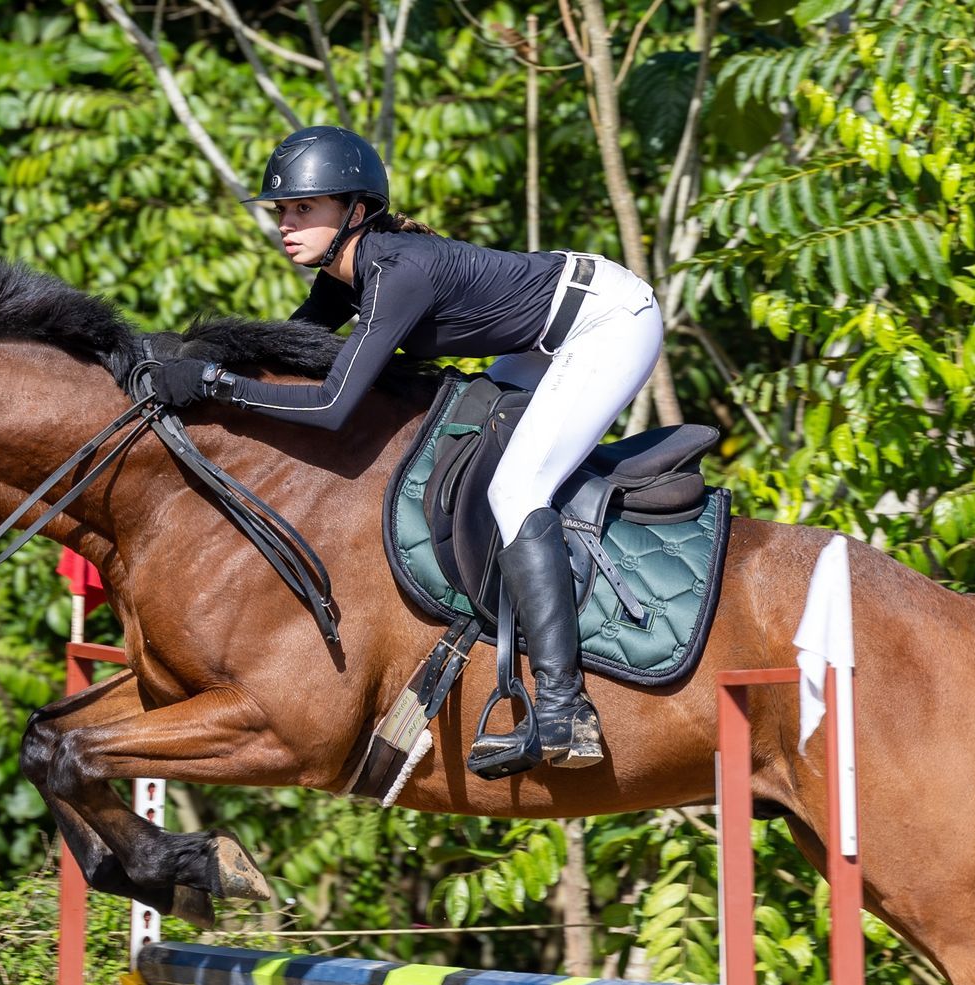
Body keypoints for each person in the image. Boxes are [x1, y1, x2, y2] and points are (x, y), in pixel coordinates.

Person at [150, 126, 663, 776]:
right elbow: (284, 348)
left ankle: (567, 712)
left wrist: (216, 385)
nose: (286, 223)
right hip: (550, 332)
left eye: (304, 208)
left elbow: (334, 407)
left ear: (356, 212)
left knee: (515, 489)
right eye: (282, 210)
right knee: (476, 455)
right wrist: (191, 356)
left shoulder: (398, 272)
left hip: (609, 321)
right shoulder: (347, 274)